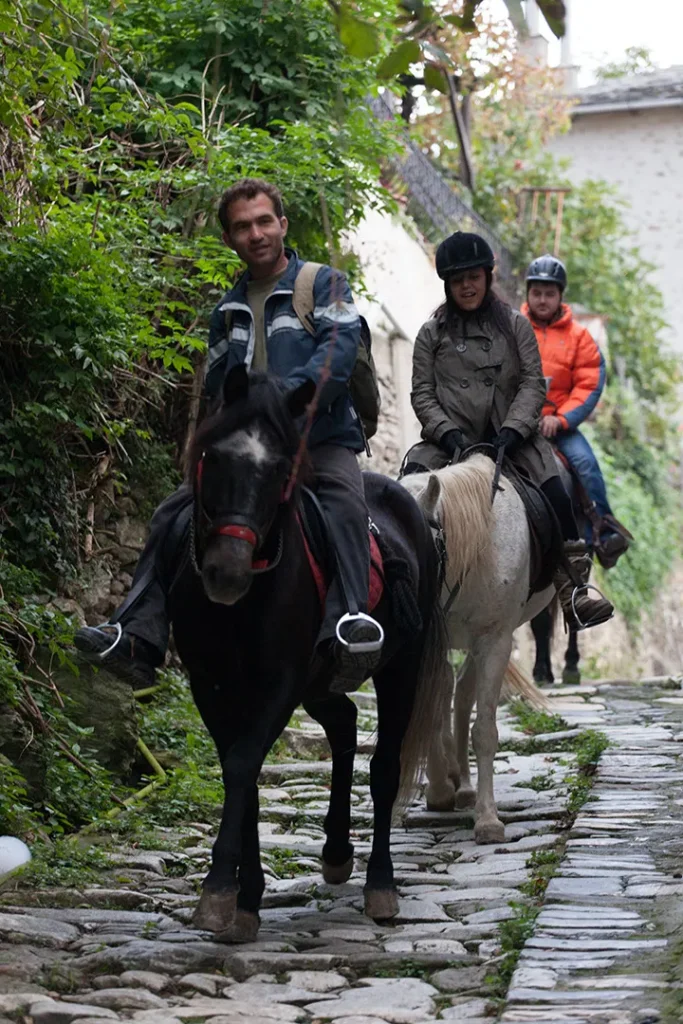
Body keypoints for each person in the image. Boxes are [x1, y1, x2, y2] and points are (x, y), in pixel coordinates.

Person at [74, 177, 383, 693]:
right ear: (229, 239)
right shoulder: (226, 311)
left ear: (282, 225)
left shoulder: (323, 284)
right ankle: (136, 633)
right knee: (173, 512)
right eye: (242, 227)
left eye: (264, 221)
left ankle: (348, 624)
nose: (256, 233)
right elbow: (221, 388)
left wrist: (288, 401)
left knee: (346, 506)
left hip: (318, 439)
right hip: (248, 453)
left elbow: (337, 350)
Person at [401, 231, 613, 630]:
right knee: (406, 491)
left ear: (487, 277)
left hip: (511, 441)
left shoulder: (516, 325)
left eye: (474, 276)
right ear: (447, 283)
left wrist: (514, 430)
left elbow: (534, 383)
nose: (467, 285)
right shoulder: (431, 334)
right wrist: (447, 433)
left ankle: (573, 591)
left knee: (555, 490)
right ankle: (399, 590)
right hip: (448, 442)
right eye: (458, 279)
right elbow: (422, 393)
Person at [522, 254, 629, 561]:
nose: (543, 300)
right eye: (537, 292)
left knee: (586, 466)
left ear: (560, 296)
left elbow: (589, 382)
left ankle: (603, 533)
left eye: (550, 293)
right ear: (528, 293)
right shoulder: (513, 328)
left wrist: (561, 419)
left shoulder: (579, 337)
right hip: (516, 421)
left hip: (559, 425)